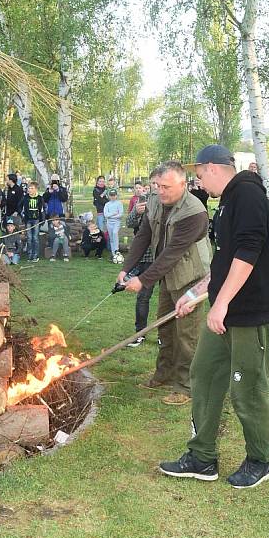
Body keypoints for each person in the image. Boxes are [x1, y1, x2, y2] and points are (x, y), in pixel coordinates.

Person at [159, 145, 269, 488]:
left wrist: (222, 303)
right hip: (224, 312)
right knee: (205, 372)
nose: (200, 184)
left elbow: (248, 252)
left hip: (250, 313)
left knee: (248, 387)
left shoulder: (247, 194)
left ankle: (260, 460)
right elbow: (223, 264)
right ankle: (202, 457)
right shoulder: (226, 203)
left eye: (199, 176)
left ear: (213, 168)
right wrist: (195, 294)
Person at [117, 160, 210, 405]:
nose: (160, 191)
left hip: (190, 277)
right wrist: (127, 268)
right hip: (168, 275)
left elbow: (173, 253)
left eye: (166, 186)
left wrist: (143, 280)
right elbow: (144, 235)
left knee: (186, 333)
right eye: (156, 185)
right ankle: (164, 373)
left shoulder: (195, 211)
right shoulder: (156, 201)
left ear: (183, 183)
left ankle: (185, 385)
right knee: (165, 326)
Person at [124, 171, 159, 346]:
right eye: (151, 183)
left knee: (168, 298)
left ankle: (165, 335)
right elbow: (129, 223)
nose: (153, 187)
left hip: (163, 256)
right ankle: (140, 333)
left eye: (156, 183)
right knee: (143, 297)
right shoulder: (141, 200)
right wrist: (137, 213)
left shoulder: (165, 201)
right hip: (145, 256)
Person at [23, 181, 44, 262]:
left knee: (35, 238)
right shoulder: (25, 197)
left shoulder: (39, 198)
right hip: (28, 220)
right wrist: (23, 215)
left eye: (32, 188)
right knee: (29, 238)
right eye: (29, 188)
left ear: (36, 189)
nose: (30, 190)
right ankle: (29, 254)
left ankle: (35, 255)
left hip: (36, 220)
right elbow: (20, 206)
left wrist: (42, 219)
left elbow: (42, 209)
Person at [104, 189, 124, 263]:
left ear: (116, 196)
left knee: (115, 233)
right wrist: (113, 214)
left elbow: (120, 214)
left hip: (116, 222)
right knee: (111, 237)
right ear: (109, 196)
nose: (113, 197)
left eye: (114, 195)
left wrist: (111, 215)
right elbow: (106, 215)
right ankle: (113, 253)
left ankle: (116, 250)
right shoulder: (107, 204)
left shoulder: (119, 203)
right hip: (109, 223)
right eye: (111, 195)